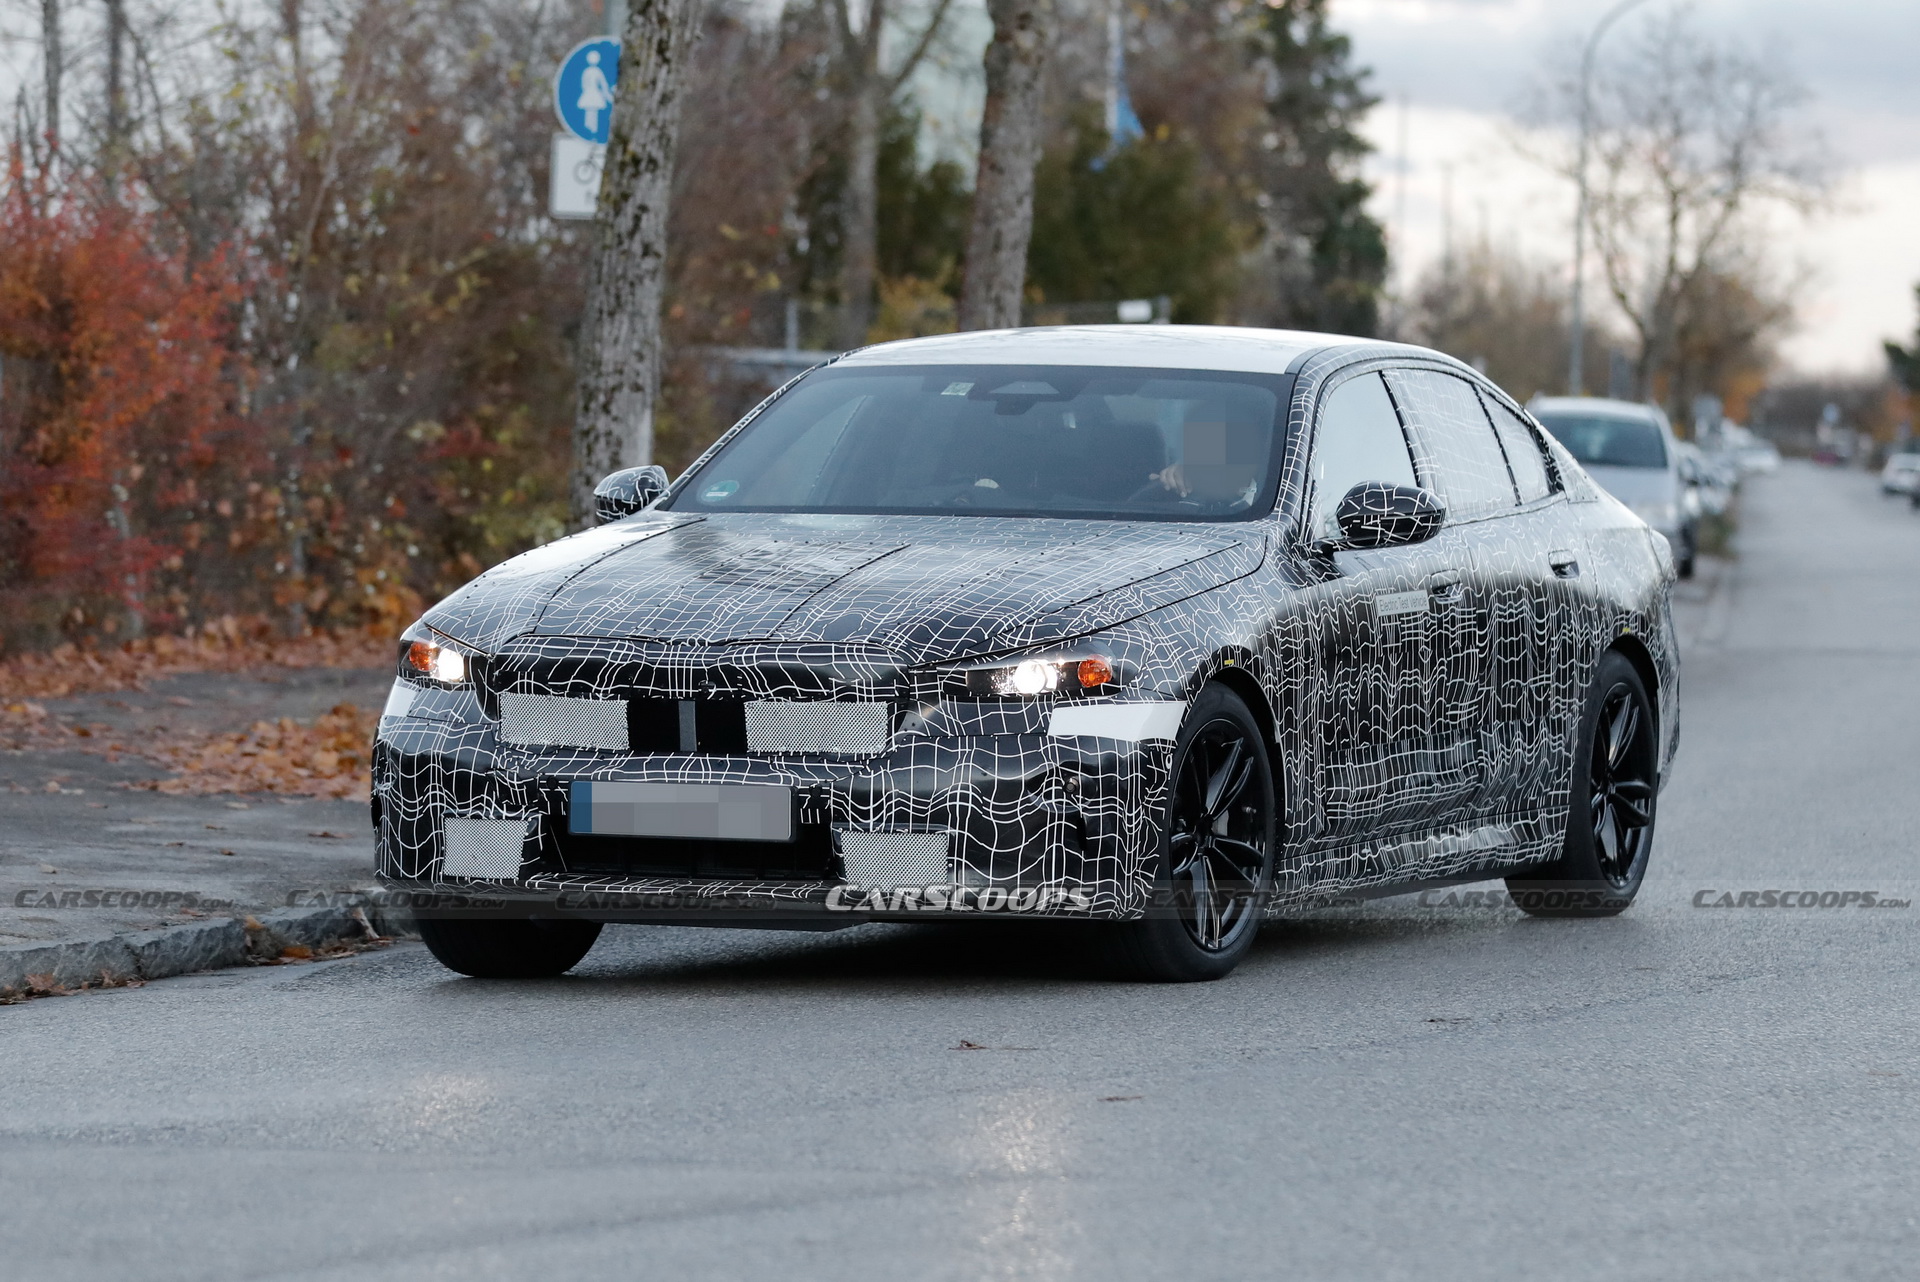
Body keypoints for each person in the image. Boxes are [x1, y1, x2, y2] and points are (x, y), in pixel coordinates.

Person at [577, 50, 612, 135]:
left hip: (590, 93)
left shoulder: (588, 71)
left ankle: (591, 129)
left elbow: (583, 84)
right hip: (593, 93)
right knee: (592, 112)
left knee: (591, 112)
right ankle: (590, 129)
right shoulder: (596, 71)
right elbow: (603, 84)